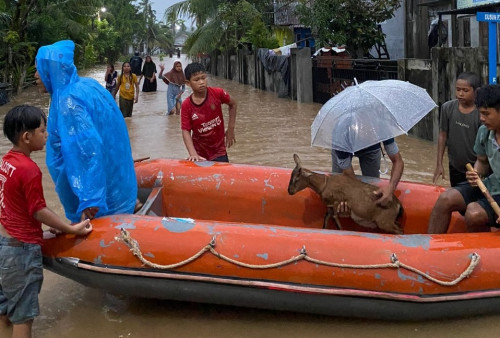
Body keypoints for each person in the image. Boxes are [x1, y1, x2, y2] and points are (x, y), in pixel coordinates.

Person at [0, 105, 92, 338]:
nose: (47, 134)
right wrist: (70, 227)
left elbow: (14, 204)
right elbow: (38, 210)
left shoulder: (6, 163)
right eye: (42, 130)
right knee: (23, 317)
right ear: (27, 137)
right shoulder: (29, 169)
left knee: (4, 310)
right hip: (20, 251)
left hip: (3, 244)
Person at [34, 40, 138, 223]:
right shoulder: (88, 85)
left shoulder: (68, 101)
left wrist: (90, 201)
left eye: (40, 69)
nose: (36, 75)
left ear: (52, 71)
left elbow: (87, 151)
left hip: (105, 207)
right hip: (121, 191)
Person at [428, 84, 500, 234]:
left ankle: (483, 252)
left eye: (486, 114)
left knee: (474, 214)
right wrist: (476, 173)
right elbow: (482, 160)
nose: (482, 119)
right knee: (445, 199)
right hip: (492, 185)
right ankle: (431, 248)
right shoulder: (484, 132)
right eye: (480, 113)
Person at [181, 62, 237, 162]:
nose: (201, 82)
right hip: (199, 153)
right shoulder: (186, 105)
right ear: (188, 83)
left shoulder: (217, 93)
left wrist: (231, 129)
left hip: (219, 151)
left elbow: (233, 104)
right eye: (196, 80)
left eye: (203, 78)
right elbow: (186, 131)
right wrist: (193, 154)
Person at [433, 72, 481, 187]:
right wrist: (439, 164)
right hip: (455, 166)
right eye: (458, 89)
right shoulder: (447, 108)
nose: (460, 94)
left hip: (476, 168)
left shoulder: (481, 113)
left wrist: (479, 169)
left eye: (465, 91)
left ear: (476, 91)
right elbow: (443, 135)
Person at [332, 138, 404, 206]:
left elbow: (398, 161)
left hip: (371, 147)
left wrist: (391, 188)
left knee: (374, 190)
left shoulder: (381, 127)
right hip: (344, 146)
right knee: (338, 189)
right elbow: (350, 178)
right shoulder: (341, 135)